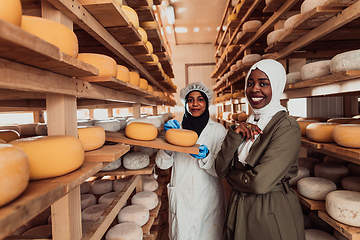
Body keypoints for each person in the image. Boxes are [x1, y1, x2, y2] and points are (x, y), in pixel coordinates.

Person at [215, 59, 305, 240]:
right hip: (239, 207)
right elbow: (220, 169)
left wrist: (231, 177)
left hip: (269, 211)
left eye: (263, 83)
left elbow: (259, 183)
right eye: (250, 83)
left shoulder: (287, 127)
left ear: (277, 86)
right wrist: (233, 134)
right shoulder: (247, 123)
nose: (254, 89)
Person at [155, 81, 227, 240]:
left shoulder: (218, 130)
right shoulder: (176, 130)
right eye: (190, 100)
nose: (195, 104)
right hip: (182, 197)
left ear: (206, 102)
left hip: (208, 196)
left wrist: (207, 157)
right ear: (185, 103)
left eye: (200, 99)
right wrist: (168, 142)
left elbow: (221, 170)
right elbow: (162, 164)